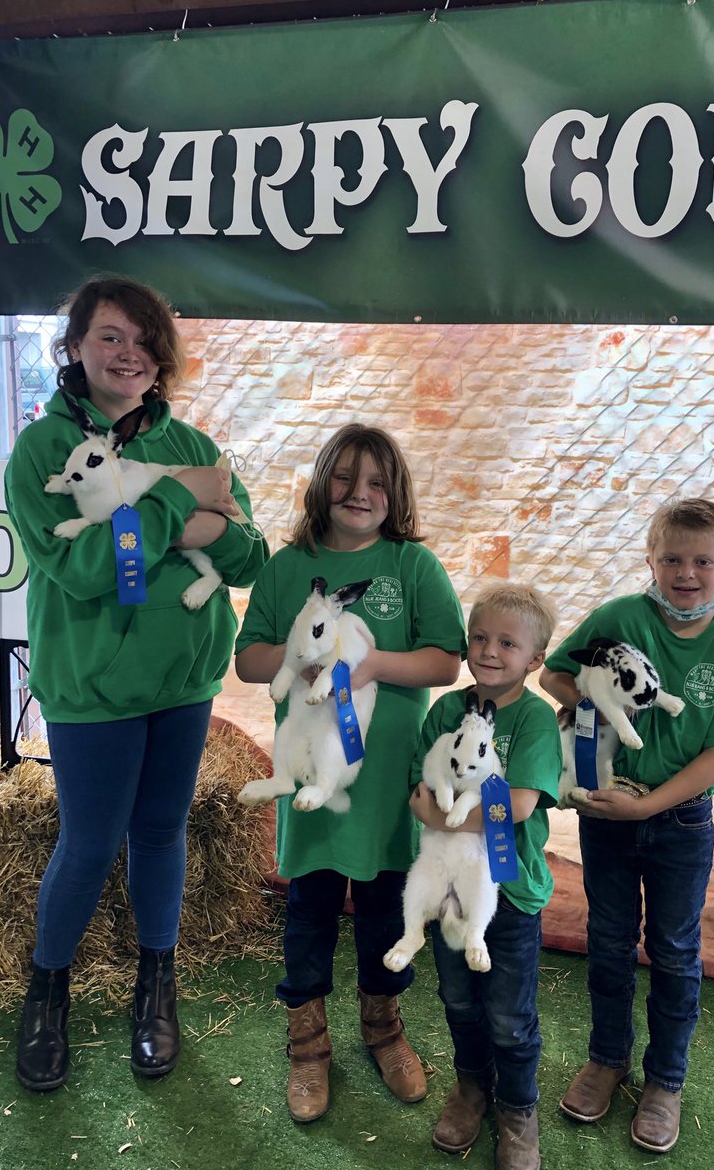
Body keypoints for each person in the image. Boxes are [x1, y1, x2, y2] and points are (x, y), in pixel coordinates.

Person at [4, 276, 269, 1092]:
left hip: (182, 683)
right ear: (75, 346)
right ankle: (47, 993)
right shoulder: (43, 451)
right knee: (89, 842)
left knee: (160, 831)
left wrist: (177, 516)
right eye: (111, 336)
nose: (130, 353)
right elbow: (90, 569)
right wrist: (180, 506)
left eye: (144, 339)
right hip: (91, 689)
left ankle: (158, 986)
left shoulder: (192, 444)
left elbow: (250, 556)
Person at [235, 423, 465, 1123]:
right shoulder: (287, 568)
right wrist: (302, 662)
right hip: (315, 782)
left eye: (375, 482)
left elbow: (444, 660)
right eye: (344, 477)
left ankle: (383, 1027)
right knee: (309, 909)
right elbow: (248, 659)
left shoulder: (413, 567)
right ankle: (307, 1044)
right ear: (321, 484)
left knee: (384, 907)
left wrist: (366, 667)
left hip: (387, 784)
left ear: (395, 494)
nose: (358, 493)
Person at [540, 498, 714, 1155]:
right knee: (609, 938)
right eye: (672, 559)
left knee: (673, 948)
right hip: (607, 812)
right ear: (651, 561)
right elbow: (556, 674)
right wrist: (596, 704)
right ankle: (606, 1059)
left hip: (681, 823)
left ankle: (665, 1080)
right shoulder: (620, 618)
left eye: (703, 562)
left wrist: (649, 805)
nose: (686, 573)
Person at [408, 583, 561, 1170]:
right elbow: (421, 786)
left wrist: (444, 816)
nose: (489, 651)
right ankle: (472, 1086)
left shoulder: (536, 720)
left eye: (507, 643)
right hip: (452, 890)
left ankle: (518, 1108)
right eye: (479, 638)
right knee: (457, 997)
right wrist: (430, 809)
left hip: (511, 892)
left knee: (509, 1013)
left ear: (536, 659)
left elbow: (518, 804)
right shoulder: (445, 712)